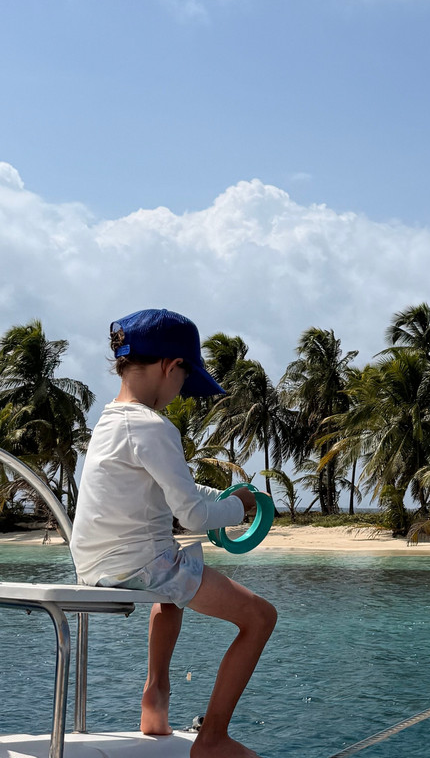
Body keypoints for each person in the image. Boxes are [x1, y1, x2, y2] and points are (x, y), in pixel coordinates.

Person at [70, 309, 277, 758]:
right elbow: (196, 516)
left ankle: (155, 699)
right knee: (260, 617)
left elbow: (176, 488)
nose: (182, 391)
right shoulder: (152, 426)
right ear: (171, 366)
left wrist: (222, 496)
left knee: (173, 592)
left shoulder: (109, 421)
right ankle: (213, 737)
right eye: (185, 379)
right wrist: (239, 508)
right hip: (140, 564)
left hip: (95, 565)